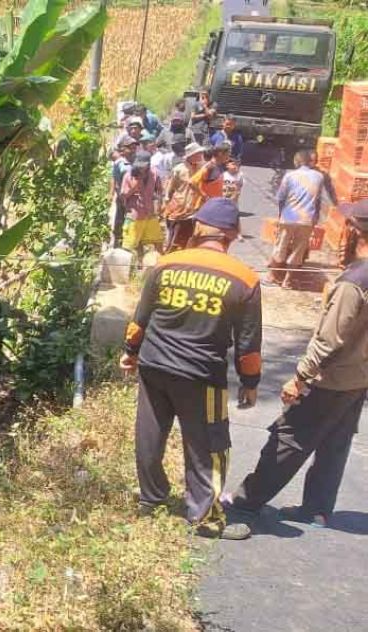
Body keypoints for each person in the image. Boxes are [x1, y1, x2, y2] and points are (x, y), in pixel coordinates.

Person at [121, 197, 262, 541]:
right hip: (202, 376)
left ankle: (151, 500)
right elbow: (249, 343)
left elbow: (140, 318)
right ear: (234, 233)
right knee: (208, 445)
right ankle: (205, 518)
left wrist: (130, 352)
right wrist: (250, 382)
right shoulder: (243, 278)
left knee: (150, 434)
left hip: (154, 365)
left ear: (199, 228)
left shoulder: (167, 264)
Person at [225, 200, 368, 528]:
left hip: (330, 379)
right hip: (357, 378)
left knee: (289, 436)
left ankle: (247, 500)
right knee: (335, 442)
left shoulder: (353, 282)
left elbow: (330, 339)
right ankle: (316, 509)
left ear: (355, 231)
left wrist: (300, 377)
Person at [266, 150, 325, 288]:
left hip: (289, 217)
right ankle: (288, 280)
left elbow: (281, 197)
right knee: (299, 250)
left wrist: (281, 214)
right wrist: (315, 217)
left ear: (297, 162)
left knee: (281, 246)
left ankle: (273, 276)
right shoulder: (319, 177)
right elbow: (318, 200)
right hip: (307, 219)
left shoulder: (290, 176)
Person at [163, 143, 222, 252]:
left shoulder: (202, 167)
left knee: (189, 239)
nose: (200, 156)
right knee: (174, 240)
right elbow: (169, 188)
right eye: (198, 154)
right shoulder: (178, 169)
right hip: (179, 208)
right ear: (191, 155)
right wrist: (166, 201)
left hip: (194, 209)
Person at [120, 150, 164, 263]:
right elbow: (123, 195)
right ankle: (138, 264)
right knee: (132, 243)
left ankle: (160, 263)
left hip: (149, 213)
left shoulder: (154, 173)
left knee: (158, 240)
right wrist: (134, 188)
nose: (141, 169)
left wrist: (159, 204)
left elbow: (159, 190)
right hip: (135, 214)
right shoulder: (129, 176)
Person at [111, 137, 140, 247]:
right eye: (130, 148)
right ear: (123, 149)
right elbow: (114, 178)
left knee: (133, 219)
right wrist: (112, 193)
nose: (133, 150)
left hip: (135, 197)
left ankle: (132, 242)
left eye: (134, 148)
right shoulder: (119, 163)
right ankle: (118, 242)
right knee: (120, 218)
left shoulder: (138, 162)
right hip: (122, 196)